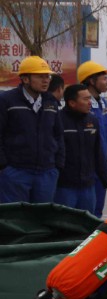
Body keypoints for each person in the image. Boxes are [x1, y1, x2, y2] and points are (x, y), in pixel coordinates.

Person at [0, 56, 66, 204]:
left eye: (47, 76)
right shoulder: (7, 101)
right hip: (16, 172)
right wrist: (4, 166)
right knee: (15, 220)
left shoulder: (50, 102)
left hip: (47, 172)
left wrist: (58, 165)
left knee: (41, 220)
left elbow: (58, 134)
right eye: (40, 76)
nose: (46, 80)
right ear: (25, 79)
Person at [54, 84, 107, 214]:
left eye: (89, 99)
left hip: (87, 186)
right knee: (64, 224)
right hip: (64, 187)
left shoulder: (92, 121)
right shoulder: (58, 121)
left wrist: (105, 176)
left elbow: (98, 152)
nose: (89, 103)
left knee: (86, 226)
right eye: (85, 99)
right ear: (72, 102)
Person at [77, 61, 107, 215]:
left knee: (98, 208)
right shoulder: (82, 104)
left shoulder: (102, 102)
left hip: (101, 163)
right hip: (87, 166)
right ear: (91, 81)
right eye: (103, 78)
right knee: (86, 210)